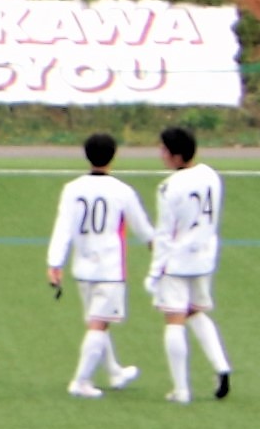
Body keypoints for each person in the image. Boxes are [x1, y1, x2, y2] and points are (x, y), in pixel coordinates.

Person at [45, 129, 151, 397]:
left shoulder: (72, 189)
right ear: (113, 157)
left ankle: (115, 371)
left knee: (96, 320)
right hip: (110, 269)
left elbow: (62, 228)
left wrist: (54, 262)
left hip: (83, 268)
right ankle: (80, 381)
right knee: (99, 324)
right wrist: (158, 248)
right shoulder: (122, 191)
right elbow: (142, 228)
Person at [150, 122, 234, 397]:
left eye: (164, 150)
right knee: (196, 311)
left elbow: (164, 233)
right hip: (205, 256)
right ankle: (221, 367)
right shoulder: (211, 175)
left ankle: (181, 389)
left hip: (177, 260)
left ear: (175, 156)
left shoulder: (168, 187)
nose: (160, 154)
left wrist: (154, 272)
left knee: (174, 319)